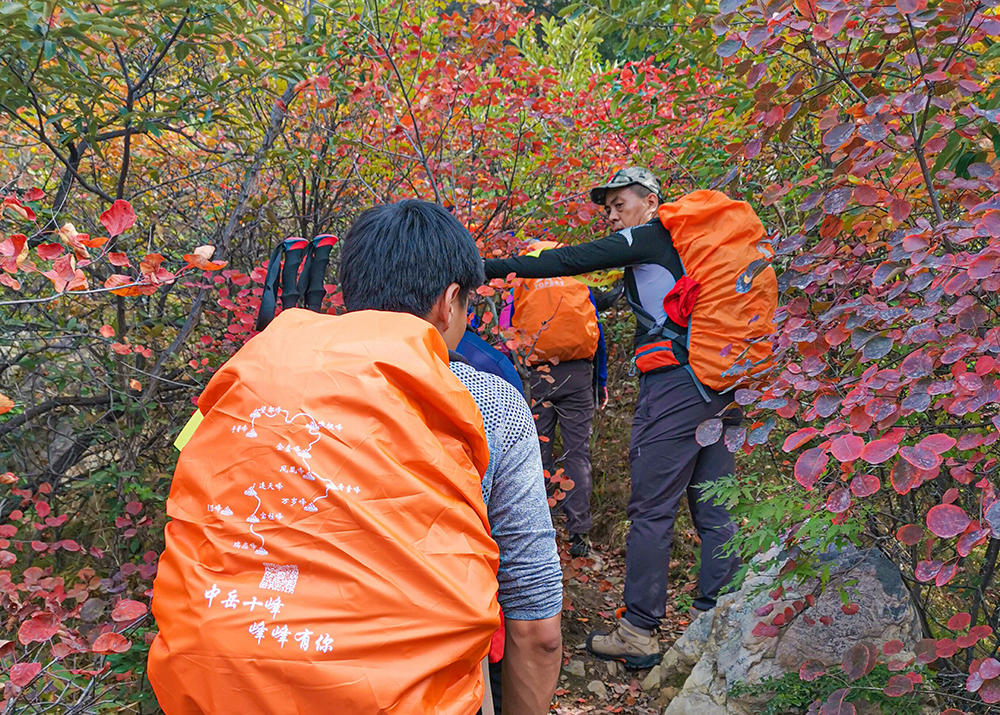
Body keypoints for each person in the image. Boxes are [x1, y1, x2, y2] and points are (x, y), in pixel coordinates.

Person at [149, 200, 562, 715]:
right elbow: (535, 621)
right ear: (449, 300)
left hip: (219, 680)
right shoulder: (486, 402)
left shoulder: (252, 378)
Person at [483, 167, 741, 669]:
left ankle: (638, 631)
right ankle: (717, 617)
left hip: (676, 386)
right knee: (715, 505)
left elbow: (571, 259)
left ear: (649, 199)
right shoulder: (694, 247)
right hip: (721, 382)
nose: (612, 214)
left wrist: (484, 265)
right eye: (608, 207)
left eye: (619, 203)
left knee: (651, 510)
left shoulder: (649, 236)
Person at [504, 242, 621, 557]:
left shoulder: (522, 282)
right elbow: (597, 334)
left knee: (535, 453)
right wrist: (600, 382)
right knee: (577, 455)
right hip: (579, 375)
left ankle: (536, 532)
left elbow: (506, 331)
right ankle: (579, 535)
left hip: (535, 376)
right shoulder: (575, 279)